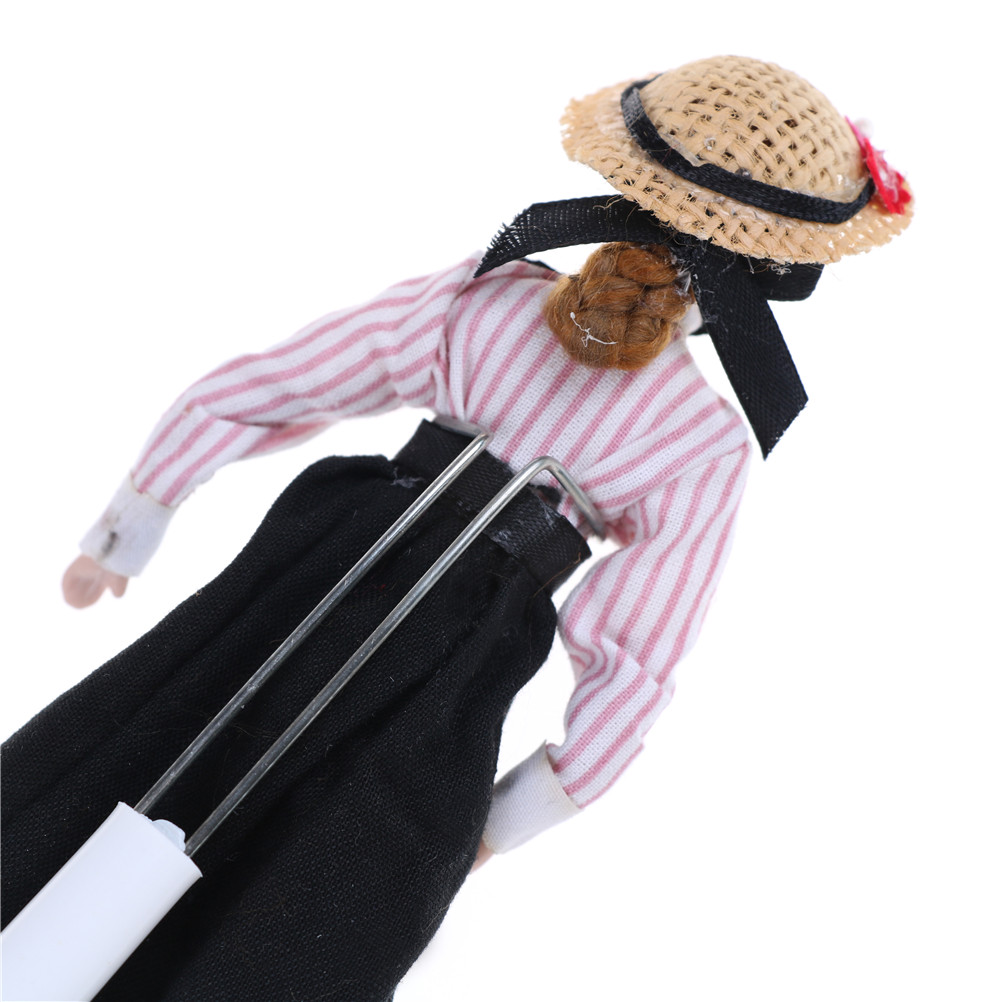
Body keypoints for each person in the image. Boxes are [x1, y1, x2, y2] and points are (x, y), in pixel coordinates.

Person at [1, 55, 911, 1001]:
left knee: (143, 741)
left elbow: (285, 379)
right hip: (451, 667)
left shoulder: (487, 299)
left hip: (323, 564)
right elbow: (637, 659)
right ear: (773, 266)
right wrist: (508, 819)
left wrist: (132, 522)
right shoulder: (698, 443)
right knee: (319, 886)